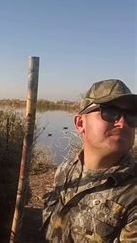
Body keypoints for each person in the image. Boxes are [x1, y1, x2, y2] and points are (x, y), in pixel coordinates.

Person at [42, 79, 137, 242]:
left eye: (132, 115)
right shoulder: (65, 171)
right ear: (80, 123)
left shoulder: (132, 195)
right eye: (110, 111)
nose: (122, 122)